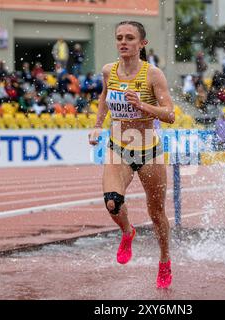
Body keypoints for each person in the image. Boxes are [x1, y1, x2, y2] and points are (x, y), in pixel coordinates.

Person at [88, 21, 175, 289]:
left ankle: (164, 260)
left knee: (157, 212)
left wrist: (142, 105)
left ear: (142, 43)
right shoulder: (108, 71)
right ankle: (127, 231)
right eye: (119, 38)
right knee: (112, 202)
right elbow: (104, 98)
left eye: (129, 38)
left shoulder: (153, 75)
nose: (123, 42)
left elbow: (170, 114)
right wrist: (97, 126)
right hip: (119, 147)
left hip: (149, 150)